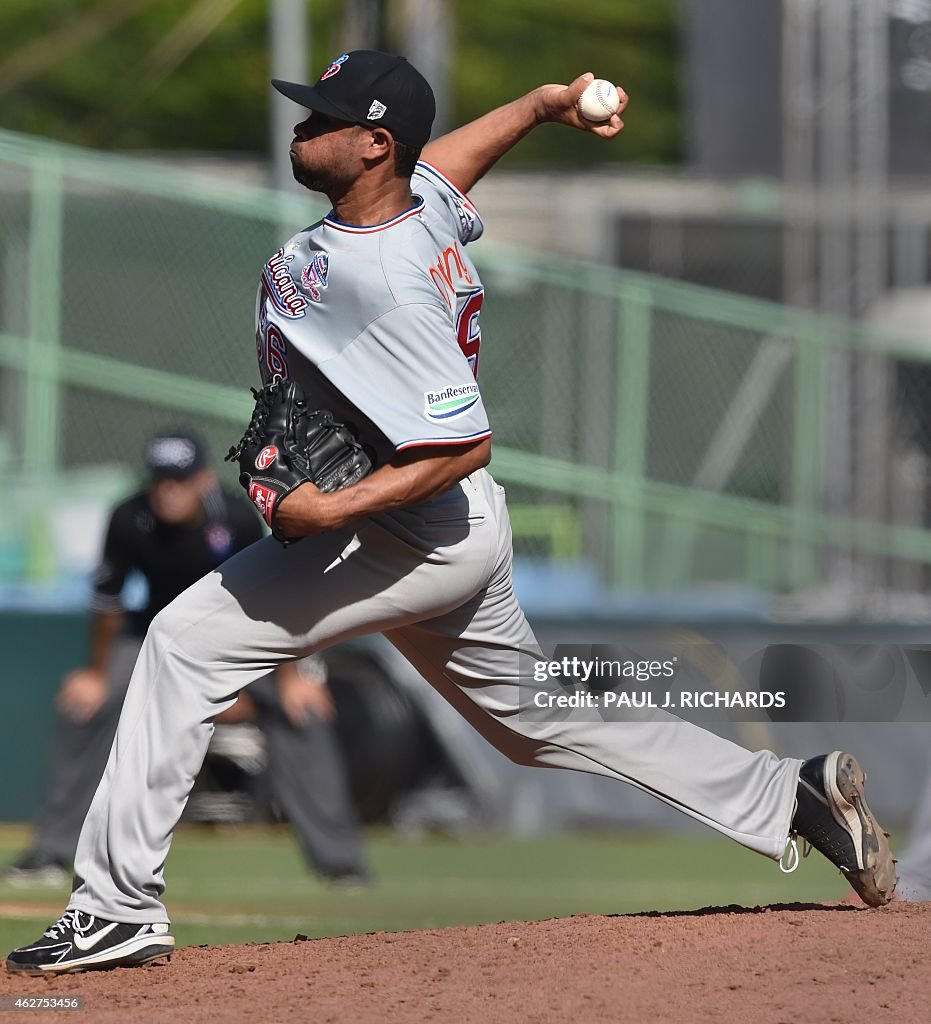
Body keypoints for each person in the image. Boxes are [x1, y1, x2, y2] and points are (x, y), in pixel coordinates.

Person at [5, 51, 896, 975]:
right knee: (534, 721)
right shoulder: (408, 205)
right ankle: (789, 795)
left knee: (184, 643)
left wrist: (328, 510)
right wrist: (541, 103)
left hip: (405, 531)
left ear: (372, 144)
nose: (302, 127)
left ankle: (116, 909)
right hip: (448, 529)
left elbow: (462, 443)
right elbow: (448, 167)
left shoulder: (385, 281)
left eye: (323, 120)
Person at [2, 430, 365, 892]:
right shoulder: (129, 517)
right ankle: (51, 853)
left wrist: (291, 677)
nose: (168, 490)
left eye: (180, 480)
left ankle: (339, 863)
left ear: (204, 480)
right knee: (84, 705)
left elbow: (275, 600)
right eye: (161, 480)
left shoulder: (234, 518)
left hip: (236, 631)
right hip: (152, 632)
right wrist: (94, 675)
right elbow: (108, 604)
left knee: (303, 711)